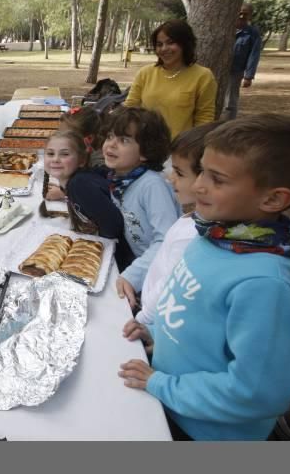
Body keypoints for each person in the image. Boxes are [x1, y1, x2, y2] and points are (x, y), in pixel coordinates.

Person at [120, 114, 290, 441]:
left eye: (217, 179)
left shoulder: (263, 284)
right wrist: (155, 333)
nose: (200, 184)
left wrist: (160, 383)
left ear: (273, 199)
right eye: (201, 170)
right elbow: (195, 315)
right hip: (168, 399)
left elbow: (256, 391)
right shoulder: (212, 236)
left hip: (204, 431)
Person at [124, 121, 223, 327]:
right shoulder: (193, 219)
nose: (170, 178)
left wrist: (142, 321)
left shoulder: (194, 235)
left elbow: (169, 284)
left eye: (178, 172)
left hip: (151, 320)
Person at [102, 107, 181, 308]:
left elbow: (167, 240)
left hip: (162, 274)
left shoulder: (152, 185)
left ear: (145, 152)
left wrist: (133, 276)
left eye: (124, 140)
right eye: (110, 136)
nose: (111, 144)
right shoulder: (121, 179)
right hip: (141, 264)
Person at [124, 19, 216, 139]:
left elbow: (204, 119)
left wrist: (193, 149)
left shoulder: (203, 76)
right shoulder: (145, 73)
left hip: (180, 149)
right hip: (143, 147)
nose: (164, 48)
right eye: (159, 44)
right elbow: (129, 108)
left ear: (185, 44)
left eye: (170, 42)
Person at [44, 129, 125, 246]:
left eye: (65, 154)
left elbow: (113, 227)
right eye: (50, 153)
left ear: (81, 160)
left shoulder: (80, 185)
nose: (55, 159)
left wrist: (91, 245)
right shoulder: (75, 181)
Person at [225, 3, 262, 119]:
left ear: (250, 16)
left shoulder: (252, 33)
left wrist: (249, 76)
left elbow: (254, 55)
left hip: (235, 71)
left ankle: (227, 127)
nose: (241, 16)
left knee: (230, 103)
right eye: (239, 13)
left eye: (245, 14)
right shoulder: (224, 28)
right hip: (217, 70)